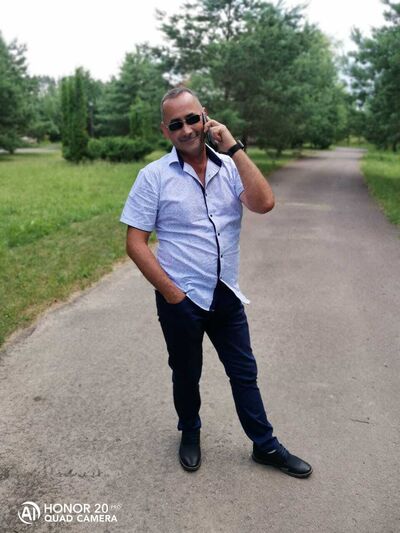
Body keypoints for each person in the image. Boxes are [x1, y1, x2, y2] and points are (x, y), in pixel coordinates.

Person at [120, 87, 312, 478]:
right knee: (186, 373)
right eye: (176, 124)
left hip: (225, 293)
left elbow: (264, 203)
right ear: (165, 131)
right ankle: (190, 432)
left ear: (205, 117)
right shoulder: (153, 177)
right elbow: (135, 243)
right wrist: (172, 294)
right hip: (182, 298)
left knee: (244, 372)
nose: (187, 129)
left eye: (193, 119)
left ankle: (265, 446)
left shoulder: (230, 168)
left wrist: (234, 148)